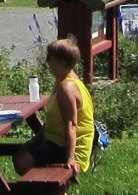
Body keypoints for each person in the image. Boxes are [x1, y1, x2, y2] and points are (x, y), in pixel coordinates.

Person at [14, 39, 94, 176]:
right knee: (21, 152)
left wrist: (70, 158)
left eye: (49, 58)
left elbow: (72, 126)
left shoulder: (67, 87)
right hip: (56, 141)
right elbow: (52, 120)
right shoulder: (63, 80)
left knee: (22, 161)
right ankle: (47, 190)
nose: (47, 62)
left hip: (66, 147)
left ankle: (53, 192)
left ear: (61, 62)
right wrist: (36, 140)